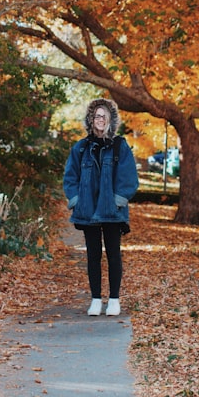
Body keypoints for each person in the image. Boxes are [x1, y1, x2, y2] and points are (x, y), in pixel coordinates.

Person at [63, 98, 139, 316]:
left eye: (105, 116)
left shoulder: (119, 146)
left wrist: (117, 201)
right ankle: (96, 299)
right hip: (88, 212)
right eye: (97, 116)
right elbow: (70, 177)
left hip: (112, 212)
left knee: (113, 254)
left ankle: (114, 299)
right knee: (93, 256)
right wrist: (77, 200)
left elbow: (129, 177)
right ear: (91, 119)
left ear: (110, 121)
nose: (101, 120)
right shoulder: (81, 148)